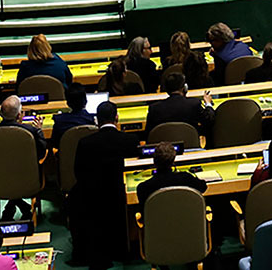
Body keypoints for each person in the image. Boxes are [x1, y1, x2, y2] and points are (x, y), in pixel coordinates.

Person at [70, 100, 134, 268]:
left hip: (92, 196)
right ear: (117, 118)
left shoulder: (85, 143)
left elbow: (78, 172)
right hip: (121, 193)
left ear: (97, 119)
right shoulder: (130, 140)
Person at [0, 97, 47, 220]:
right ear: (19, 115)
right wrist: (39, 130)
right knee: (16, 175)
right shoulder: (32, 132)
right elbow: (42, 153)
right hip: (26, 180)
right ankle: (21, 206)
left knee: (9, 174)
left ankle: (12, 205)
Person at [135, 142, 206, 217]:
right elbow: (203, 187)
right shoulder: (186, 178)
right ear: (173, 161)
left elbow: (143, 212)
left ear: (154, 161)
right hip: (186, 223)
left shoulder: (143, 188)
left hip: (157, 226)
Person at [144, 71, 214, 136]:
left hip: (165, 147)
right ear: (185, 88)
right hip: (190, 144)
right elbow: (209, 120)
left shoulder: (154, 108)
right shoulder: (194, 104)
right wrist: (208, 103)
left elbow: (148, 134)